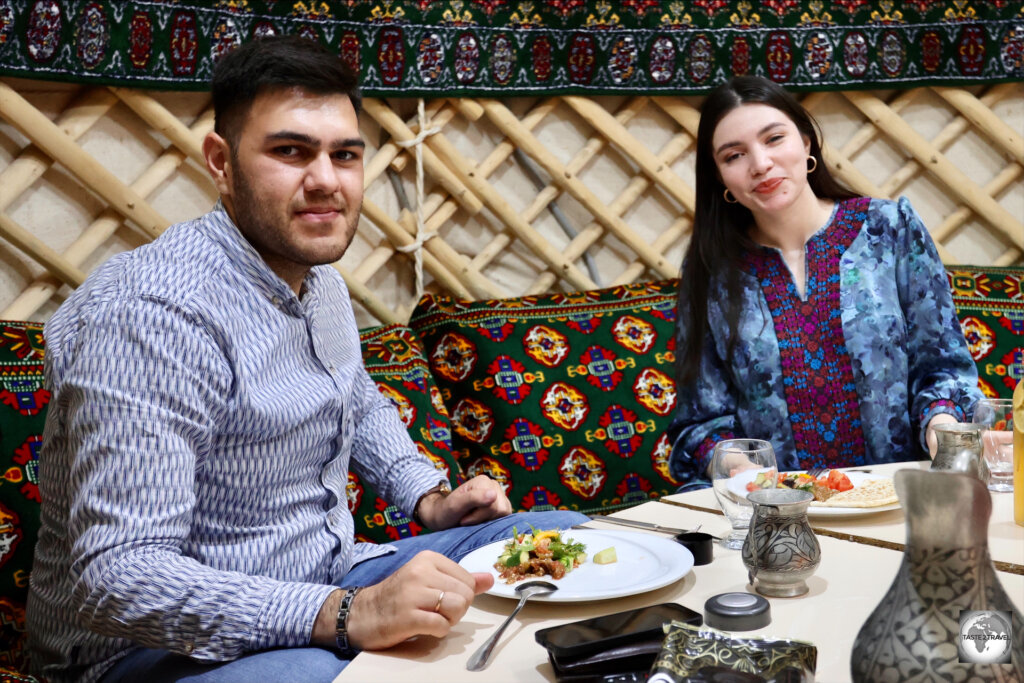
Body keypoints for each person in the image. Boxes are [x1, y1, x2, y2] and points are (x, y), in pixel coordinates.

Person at [26, 36, 587, 683]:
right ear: (221, 161)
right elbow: (121, 578)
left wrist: (427, 497)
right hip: (138, 648)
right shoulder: (156, 312)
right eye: (290, 151)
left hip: (325, 576)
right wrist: (346, 613)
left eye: (344, 155)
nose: (325, 179)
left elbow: (354, 398)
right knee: (333, 675)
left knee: (560, 541)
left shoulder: (320, 282)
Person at [667, 75, 981, 485]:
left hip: (896, 500)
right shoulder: (712, 268)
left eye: (774, 139)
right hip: (777, 518)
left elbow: (943, 369)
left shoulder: (888, 228)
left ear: (806, 142)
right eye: (734, 156)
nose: (760, 164)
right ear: (721, 177)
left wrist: (942, 425)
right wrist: (737, 467)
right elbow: (699, 423)